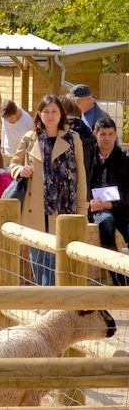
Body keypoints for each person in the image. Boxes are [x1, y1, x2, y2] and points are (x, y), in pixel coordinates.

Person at [9, 94, 88, 286]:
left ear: (61, 113)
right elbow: (13, 163)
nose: (50, 116)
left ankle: (49, 304)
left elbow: (81, 176)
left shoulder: (73, 138)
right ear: (39, 114)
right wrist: (21, 170)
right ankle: (45, 302)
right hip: (35, 210)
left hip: (64, 209)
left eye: (54, 111)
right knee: (38, 260)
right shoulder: (29, 138)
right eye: (46, 111)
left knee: (55, 261)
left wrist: (82, 209)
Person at [89, 115, 129, 286]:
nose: (106, 138)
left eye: (110, 134)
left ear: (115, 135)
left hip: (120, 206)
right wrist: (89, 203)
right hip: (96, 208)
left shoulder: (124, 158)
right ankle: (119, 280)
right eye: (102, 134)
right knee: (106, 222)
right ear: (95, 134)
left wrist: (111, 204)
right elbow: (81, 185)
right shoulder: (88, 157)